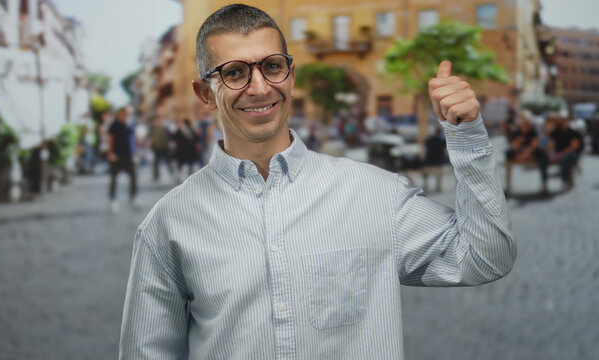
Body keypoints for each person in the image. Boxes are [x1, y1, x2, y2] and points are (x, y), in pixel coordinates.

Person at [119, 5, 515, 359]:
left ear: (290, 76)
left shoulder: (375, 195)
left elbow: (485, 257)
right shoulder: (168, 223)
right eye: (234, 73)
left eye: (271, 66)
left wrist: (466, 136)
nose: (259, 87)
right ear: (206, 93)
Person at [538, 115, 582, 192]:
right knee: (542, 160)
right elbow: (551, 144)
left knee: (564, 160)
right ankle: (544, 183)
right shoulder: (556, 133)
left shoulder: (573, 132)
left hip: (570, 154)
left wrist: (561, 154)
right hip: (558, 154)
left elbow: (574, 147)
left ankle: (565, 181)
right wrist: (549, 153)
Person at [107, 106, 138, 213]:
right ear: (119, 113)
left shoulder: (128, 124)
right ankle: (113, 200)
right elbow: (110, 139)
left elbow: (133, 138)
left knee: (133, 176)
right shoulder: (114, 125)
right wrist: (110, 153)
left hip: (128, 154)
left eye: (127, 114)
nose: (125, 115)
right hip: (117, 155)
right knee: (114, 179)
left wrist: (135, 152)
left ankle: (133, 197)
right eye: (124, 113)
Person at [148, 114, 173, 182]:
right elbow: (149, 137)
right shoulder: (152, 129)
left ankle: (172, 173)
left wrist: (170, 143)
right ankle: (156, 176)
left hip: (164, 147)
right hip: (156, 148)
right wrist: (149, 143)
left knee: (168, 161)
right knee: (156, 163)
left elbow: (169, 136)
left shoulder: (164, 128)